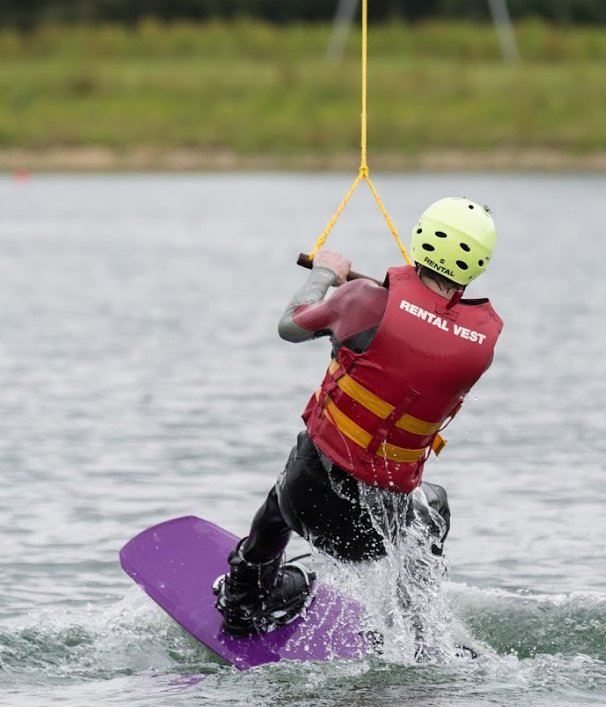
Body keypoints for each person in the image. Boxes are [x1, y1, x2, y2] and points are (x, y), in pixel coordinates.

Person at [213, 196, 503, 638]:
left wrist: (326, 274)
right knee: (434, 501)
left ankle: (243, 601)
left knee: (279, 501)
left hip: (306, 501)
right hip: (378, 535)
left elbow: (291, 325)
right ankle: (418, 625)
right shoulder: (479, 346)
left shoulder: (362, 299)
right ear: (478, 264)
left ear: (420, 239)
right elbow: (423, 330)